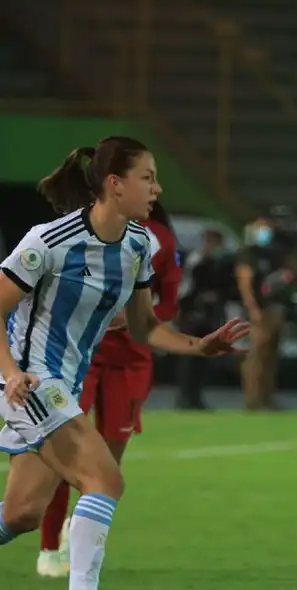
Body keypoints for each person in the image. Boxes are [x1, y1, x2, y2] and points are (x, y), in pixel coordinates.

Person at [0, 136, 249, 590]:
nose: (156, 189)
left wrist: (200, 346)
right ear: (115, 184)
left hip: (64, 386)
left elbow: (144, 327)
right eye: (148, 178)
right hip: (31, 380)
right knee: (105, 480)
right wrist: (11, 372)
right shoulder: (50, 241)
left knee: (21, 515)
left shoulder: (137, 245)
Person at [35, 201, 182, 578]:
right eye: (147, 178)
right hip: (82, 357)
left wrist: (138, 318)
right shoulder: (77, 236)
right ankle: (50, 545)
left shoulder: (159, 240)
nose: (154, 189)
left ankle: (77, 528)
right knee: (67, 455)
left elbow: (168, 303)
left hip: (132, 361)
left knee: (107, 466)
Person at [175, 228, 230, 410]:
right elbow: (185, 288)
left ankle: (195, 396)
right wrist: (194, 301)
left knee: (202, 357)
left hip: (206, 314)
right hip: (192, 313)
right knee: (191, 358)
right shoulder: (195, 261)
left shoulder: (214, 262)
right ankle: (185, 397)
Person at [234, 217, 286, 411]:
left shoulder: (272, 254)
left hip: (273, 308)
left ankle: (267, 396)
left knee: (270, 355)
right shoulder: (248, 254)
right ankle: (252, 398)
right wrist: (253, 308)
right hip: (259, 311)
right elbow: (244, 283)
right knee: (256, 355)